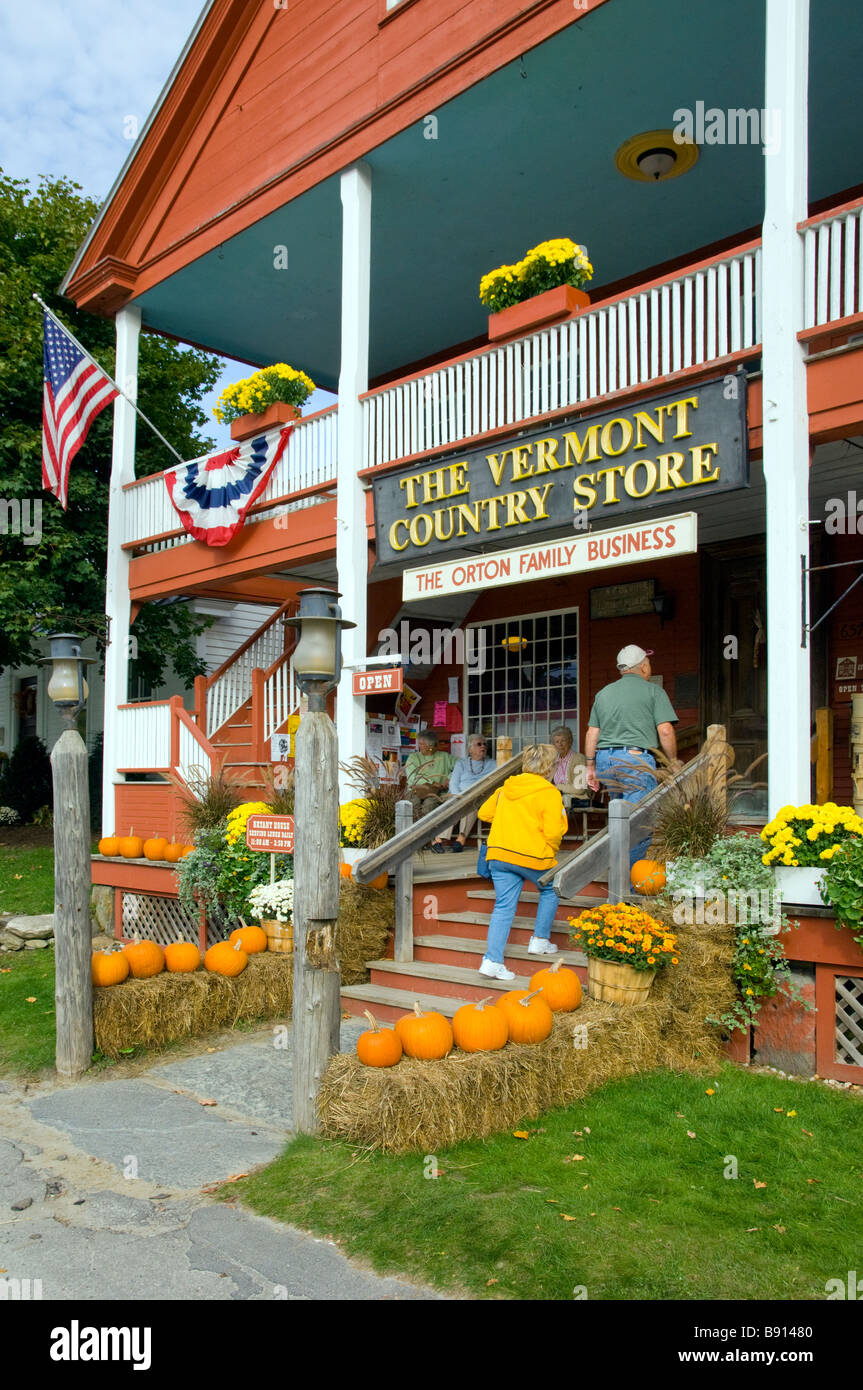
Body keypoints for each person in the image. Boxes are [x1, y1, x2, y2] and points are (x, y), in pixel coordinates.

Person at [476, 743, 567, 980]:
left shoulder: (507, 788)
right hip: (531, 856)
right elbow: (554, 832)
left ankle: (492, 961)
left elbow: (483, 814)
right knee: (552, 888)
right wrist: (552, 848)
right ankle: (539, 939)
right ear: (550, 767)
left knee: (503, 907)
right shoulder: (549, 792)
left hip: (499, 855)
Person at [584, 644, 680, 866]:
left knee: (620, 823)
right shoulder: (653, 691)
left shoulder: (603, 693)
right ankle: (628, 887)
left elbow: (592, 733)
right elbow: (665, 730)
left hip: (605, 762)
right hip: (634, 761)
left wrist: (590, 767)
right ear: (644, 666)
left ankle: (618, 878)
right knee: (639, 825)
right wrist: (673, 762)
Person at [431, 734, 496, 853]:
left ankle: (461, 839)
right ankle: (439, 839)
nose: (483, 747)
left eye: (484, 744)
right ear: (470, 749)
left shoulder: (492, 764)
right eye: (479, 744)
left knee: (470, 805)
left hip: (476, 796)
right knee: (453, 806)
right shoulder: (461, 764)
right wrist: (458, 797)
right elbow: (454, 783)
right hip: (457, 794)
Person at [400, 730, 455, 821]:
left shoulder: (445, 757)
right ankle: (412, 832)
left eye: (422, 744)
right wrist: (432, 783)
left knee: (429, 805)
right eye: (419, 743)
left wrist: (450, 777)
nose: (419, 746)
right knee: (414, 804)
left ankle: (425, 832)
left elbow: (461, 766)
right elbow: (412, 778)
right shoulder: (414, 757)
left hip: (437, 792)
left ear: (431, 745)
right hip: (415, 791)